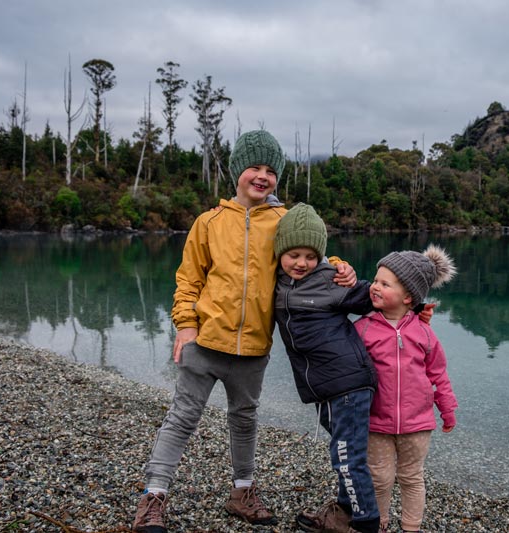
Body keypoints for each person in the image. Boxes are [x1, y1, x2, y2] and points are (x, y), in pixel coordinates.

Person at [132, 130, 356, 533]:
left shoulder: (283, 221)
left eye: (271, 170)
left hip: (253, 348)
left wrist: (339, 266)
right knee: (182, 418)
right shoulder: (209, 223)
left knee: (245, 419)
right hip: (204, 343)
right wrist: (185, 326)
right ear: (238, 171)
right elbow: (187, 281)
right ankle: (154, 496)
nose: (262, 176)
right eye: (255, 167)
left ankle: (243, 493)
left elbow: (308, 253)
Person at [273, 203, 381, 533]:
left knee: (347, 456)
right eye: (293, 254)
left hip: (346, 384)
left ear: (320, 254)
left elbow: (371, 296)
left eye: (310, 255)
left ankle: (366, 524)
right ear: (280, 252)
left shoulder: (329, 280)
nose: (301, 263)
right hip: (325, 386)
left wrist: (413, 304)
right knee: (345, 449)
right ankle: (341, 514)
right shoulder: (278, 281)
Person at [354, 245, 458, 533]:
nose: (374, 286)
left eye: (385, 284)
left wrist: (447, 409)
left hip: (418, 423)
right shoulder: (363, 329)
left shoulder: (423, 332)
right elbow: (349, 371)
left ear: (408, 297)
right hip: (376, 422)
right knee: (380, 478)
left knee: (412, 477)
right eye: (375, 280)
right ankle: (381, 524)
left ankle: (411, 527)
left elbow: (437, 374)